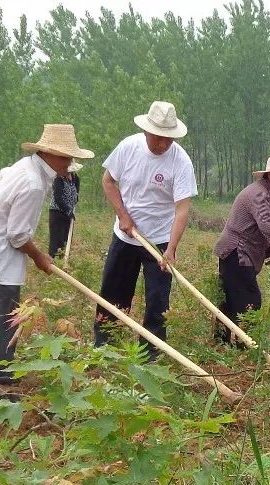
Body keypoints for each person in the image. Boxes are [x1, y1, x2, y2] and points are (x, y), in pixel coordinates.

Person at [0, 124, 94, 399]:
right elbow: (18, 235)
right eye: (66, 157)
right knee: (6, 321)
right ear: (48, 153)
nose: (70, 163)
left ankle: (2, 374)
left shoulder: (26, 167)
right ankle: (0, 383)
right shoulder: (33, 183)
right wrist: (40, 257)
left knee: (6, 319)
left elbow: (3, 180)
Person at [94, 100, 198, 356]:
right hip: (125, 236)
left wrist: (171, 249)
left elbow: (182, 209)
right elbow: (108, 181)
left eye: (168, 139)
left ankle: (151, 351)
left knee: (157, 299)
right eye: (158, 137)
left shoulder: (181, 161)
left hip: (160, 239)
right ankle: (105, 344)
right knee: (114, 292)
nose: (163, 144)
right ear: (146, 131)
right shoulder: (128, 148)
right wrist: (123, 215)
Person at [213, 154, 270, 344]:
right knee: (249, 300)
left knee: (232, 297)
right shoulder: (259, 194)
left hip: (244, 252)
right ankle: (243, 343)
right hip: (237, 252)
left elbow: (266, 226)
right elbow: (264, 225)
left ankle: (222, 341)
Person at [47, 160, 81, 258]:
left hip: (68, 213)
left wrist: (73, 203)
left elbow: (76, 194)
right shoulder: (58, 179)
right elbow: (58, 198)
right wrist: (68, 210)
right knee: (56, 240)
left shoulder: (76, 178)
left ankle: (62, 261)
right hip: (57, 213)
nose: (68, 173)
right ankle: (53, 262)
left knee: (65, 240)